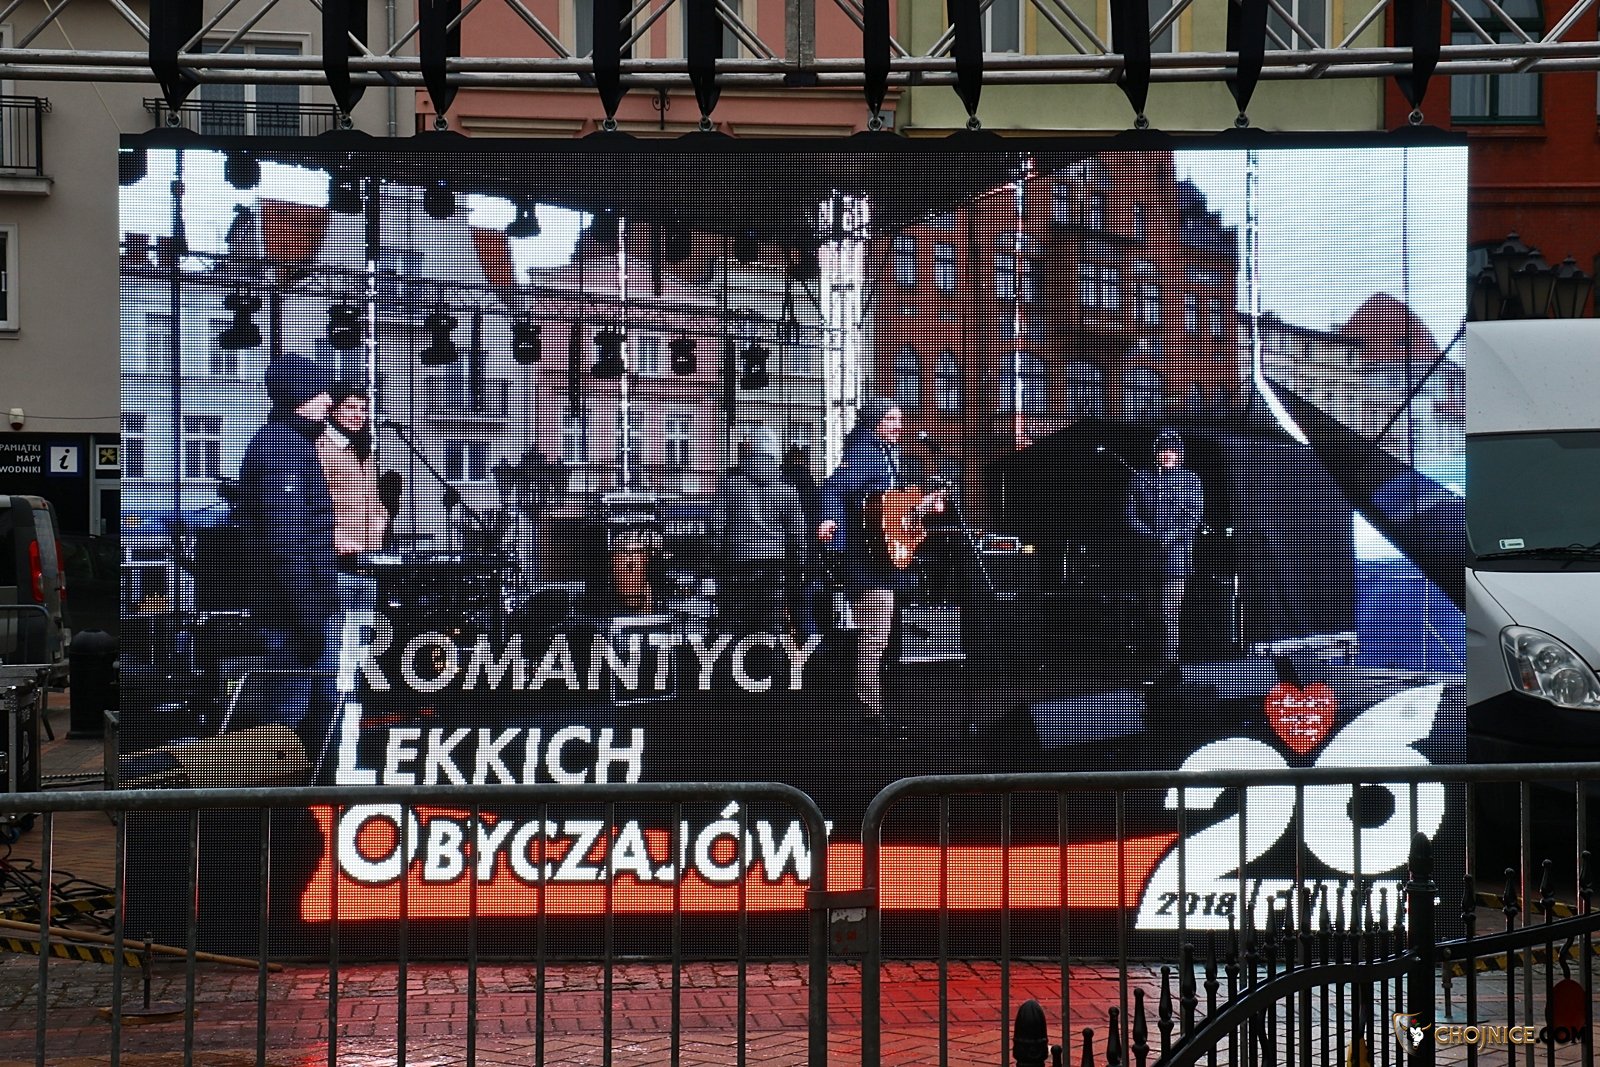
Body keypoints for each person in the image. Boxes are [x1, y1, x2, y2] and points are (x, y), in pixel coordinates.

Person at [237, 354, 339, 760]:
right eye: (319, 392)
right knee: (292, 708)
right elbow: (287, 542)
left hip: (296, 605)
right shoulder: (281, 448)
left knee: (306, 703)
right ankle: (285, 782)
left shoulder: (290, 443)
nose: (328, 400)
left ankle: (297, 776)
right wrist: (308, 615)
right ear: (297, 397)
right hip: (292, 609)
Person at [818, 398, 929, 739]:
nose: (899, 426)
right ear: (875, 422)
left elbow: (886, 510)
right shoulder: (867, 454)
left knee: (877, 640)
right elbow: (834, 487)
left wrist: (919, 509)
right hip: (868, 567)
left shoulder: (885, 454)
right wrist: (830, 522)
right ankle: (869, 714)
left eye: (900, 419)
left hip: (877, 564)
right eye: (892, 419)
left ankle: (871, 710)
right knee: (874, 641)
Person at [1125, 428, 1205, 684]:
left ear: (1180, 454)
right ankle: (1148, 663)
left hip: (1176, 558)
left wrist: (1169, 536)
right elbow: (1130, 514)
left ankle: (1169, 665)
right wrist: (1150, 535)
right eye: (1163, 450)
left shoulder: (1191, 479)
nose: (1167, 455)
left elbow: (1194, 516)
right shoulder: (1141, 477)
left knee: (1169, 612)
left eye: (1172, 451)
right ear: (1156, 453)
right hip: (1147, 557)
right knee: (1150, 612)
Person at [713, 425, 808, 635]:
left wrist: (717, 556)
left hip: (736, 560)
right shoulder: (787, 489)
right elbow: (797, 533)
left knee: (734, 624)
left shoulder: (729, 485)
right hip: (774, 563)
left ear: (750, 451)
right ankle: (769, 655)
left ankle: (734, 655)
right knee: (771, 623)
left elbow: (717, 526)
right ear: (775, 453)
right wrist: (800, 564)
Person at [779, 443, 822, 638]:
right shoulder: (811, 488)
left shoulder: (780, 486)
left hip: (783, 560)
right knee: (806, 611)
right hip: (808, 560)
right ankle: (812, 650)